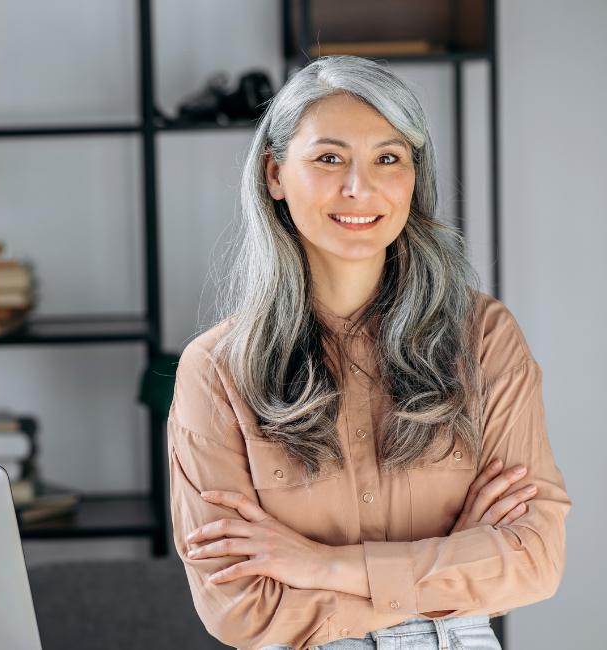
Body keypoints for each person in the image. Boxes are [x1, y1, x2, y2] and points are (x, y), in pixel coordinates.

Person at [169, 56, 565, 649]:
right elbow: (242, 609)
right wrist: (456, 561)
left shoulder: (482, 337)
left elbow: (534, 560)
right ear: (275, 174)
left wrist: (319, 566)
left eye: (388, 158)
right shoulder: (217, 370)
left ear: (413, 175)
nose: (360, 187)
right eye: (329, 158)